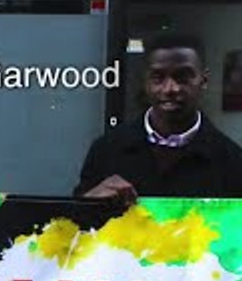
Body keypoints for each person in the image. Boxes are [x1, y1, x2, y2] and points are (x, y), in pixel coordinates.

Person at [74, 32, 242, 203]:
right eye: (158, 77)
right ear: (145, 82)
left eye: (182, 77)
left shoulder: (233, 161)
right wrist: (89, 203)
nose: (170, 88)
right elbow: (76, 223)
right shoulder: (106, 150)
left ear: (203, 80)